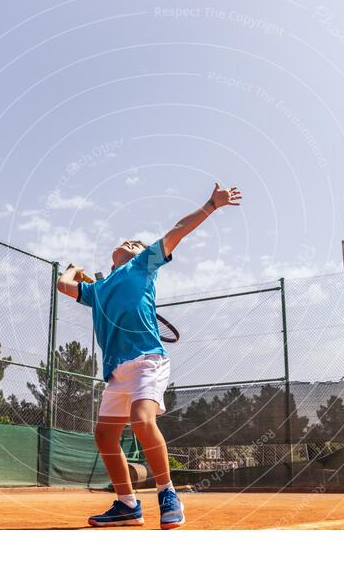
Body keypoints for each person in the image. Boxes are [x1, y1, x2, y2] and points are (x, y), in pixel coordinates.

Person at [57, 183, 242, 529]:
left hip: (147, 360)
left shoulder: (143, 265)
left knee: (142, 421)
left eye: (135, 242)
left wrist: (211, 205)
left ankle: (167, 492)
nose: (130, 243)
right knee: (104, 435)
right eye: (127, 241)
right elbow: (62, 285)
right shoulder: (96, 290)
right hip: (115, 372)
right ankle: (127, 504)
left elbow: (177, 232)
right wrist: (72, 268)